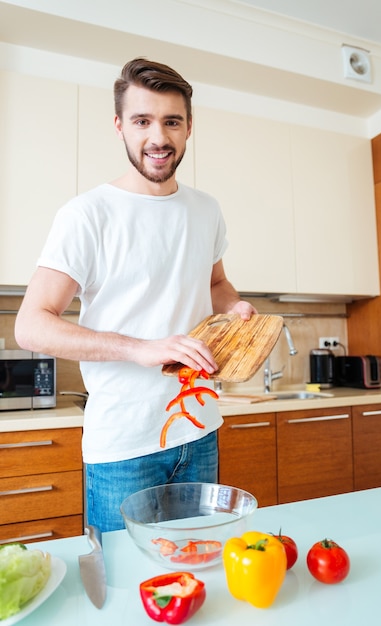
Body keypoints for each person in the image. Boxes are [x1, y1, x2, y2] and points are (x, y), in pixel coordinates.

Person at [15, 57, 257, 532]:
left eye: (171, 122)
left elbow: (215, 283)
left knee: (191, 571)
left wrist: (235, 305)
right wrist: (141, 348)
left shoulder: (206, 210)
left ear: (189, 128)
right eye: (142, 121)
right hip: (124, 445)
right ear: (119, 126)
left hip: (201, 429)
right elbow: (31, 324)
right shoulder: (87, 214)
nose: (158, 138)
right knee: (126, 584)